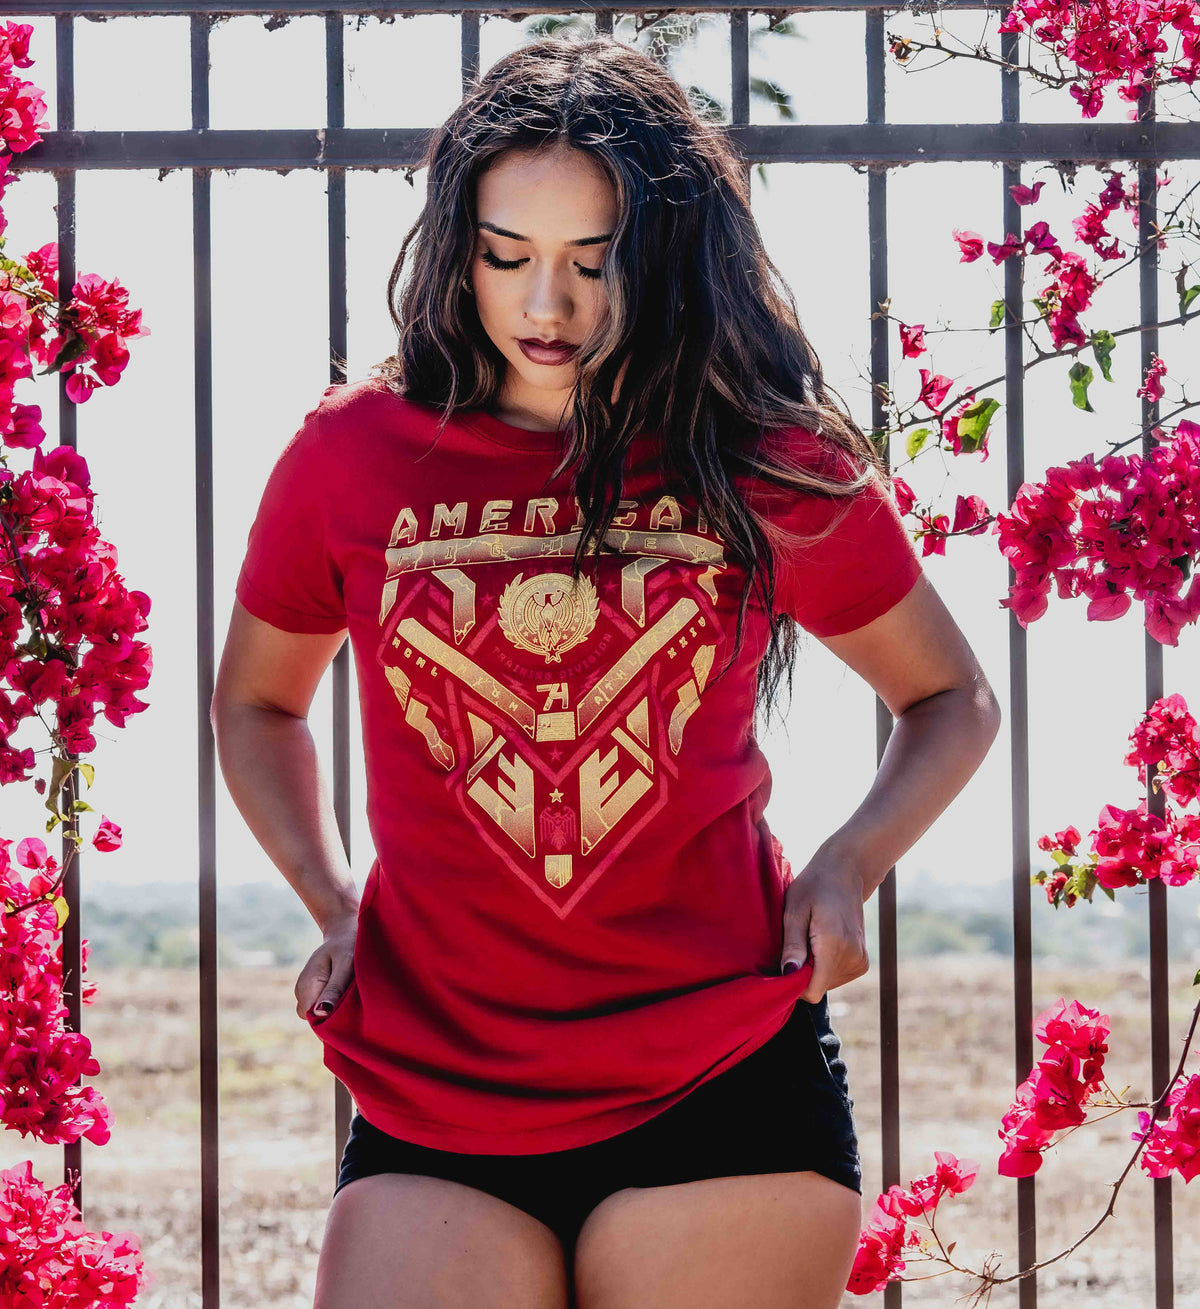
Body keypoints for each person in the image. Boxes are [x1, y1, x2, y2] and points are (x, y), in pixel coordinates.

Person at [212, 34, 1001, 1309]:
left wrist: (849, 864)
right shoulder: (352, 454)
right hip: (438, 1083)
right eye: (508, 257)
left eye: (595, 262)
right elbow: (256, 701)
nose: (548, 308)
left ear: (666, 256)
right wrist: (330, 899)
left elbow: (951, 697)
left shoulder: (763, 454)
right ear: (458, 249)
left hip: (725, 1075)